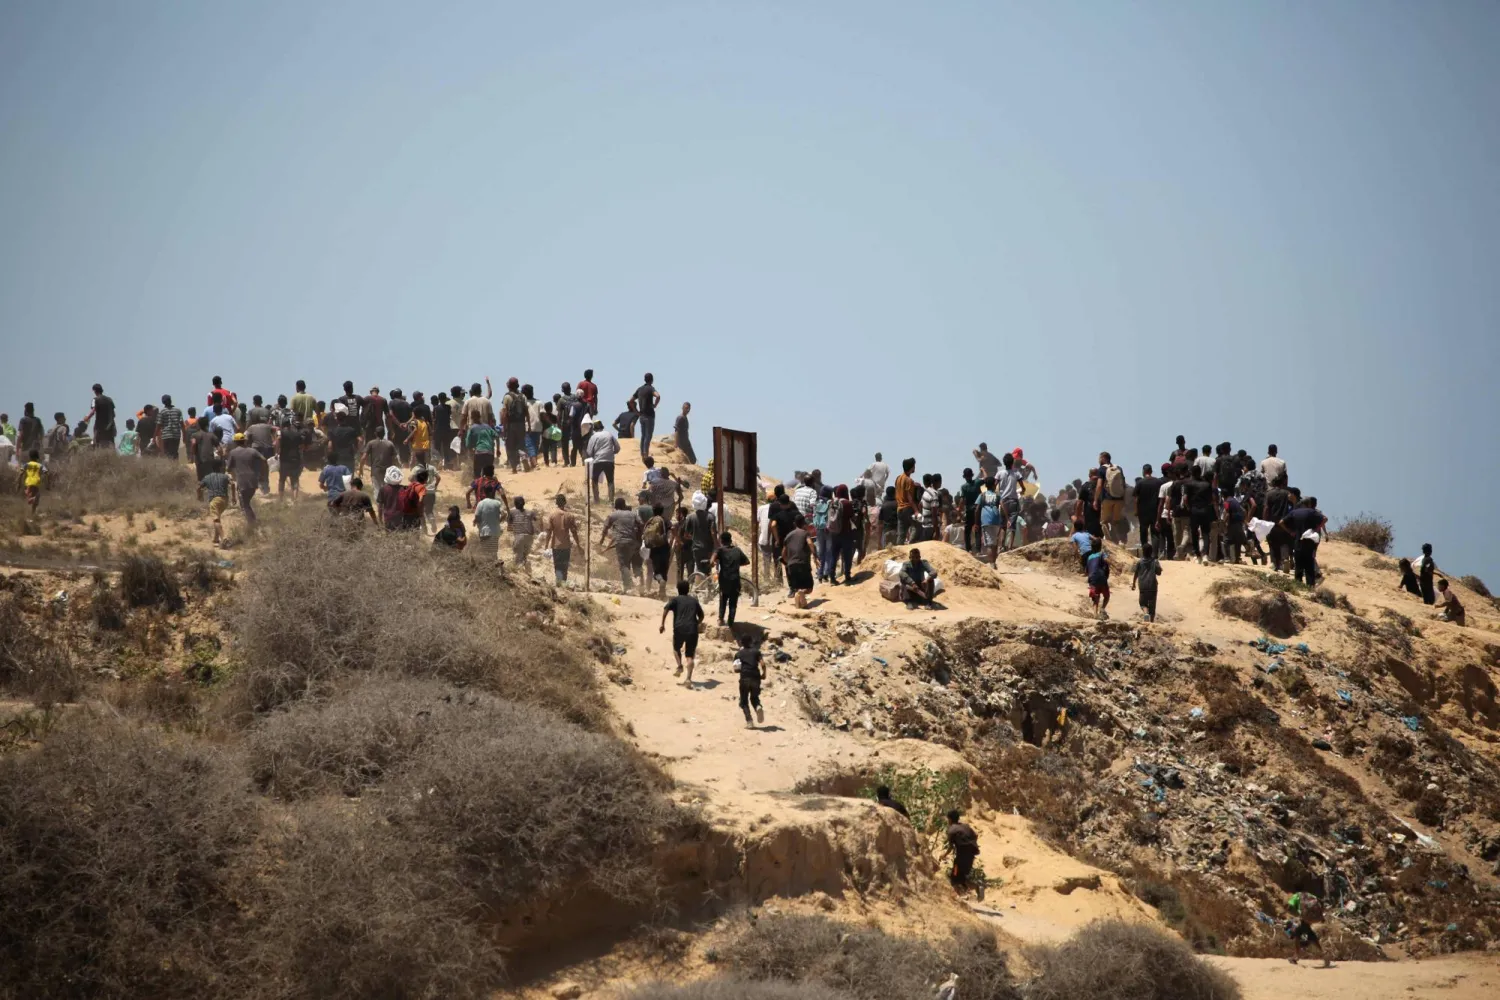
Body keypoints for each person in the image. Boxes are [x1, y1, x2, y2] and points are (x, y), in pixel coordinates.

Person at [659, 579, 705, 685]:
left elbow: (666, 609)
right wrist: (696, 623)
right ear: (688, 589)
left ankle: (679, 666)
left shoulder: (675, 600)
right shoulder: (694, 601)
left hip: (679, 628)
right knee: (690, 656)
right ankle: (688, 679)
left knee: (676, 648)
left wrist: (662, 624)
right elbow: (701, 616)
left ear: (678, 589)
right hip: (692, 630)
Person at [600, 497, 643, 592]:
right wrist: (639, 537)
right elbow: (641, 524)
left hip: (620, 542)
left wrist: (602, 540)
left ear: (615, 506)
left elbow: (605, 528)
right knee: (633, 562)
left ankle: (628, 586)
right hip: (633, 542)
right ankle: (640, 584)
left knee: (624, 565)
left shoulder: (612, 515)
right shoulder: (633, 514)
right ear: (624, 505)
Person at [1282, 498, 1326, 587]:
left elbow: (1281, 522)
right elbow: (1324, 519)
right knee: (1309, 564)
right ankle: (1310, 586)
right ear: (1309, 504)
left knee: (1298, 564)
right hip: (1310, 541)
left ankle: (1298, 585)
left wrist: (1290, 532)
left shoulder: (1294, 512)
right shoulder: (1312, 512)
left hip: (1298, 541)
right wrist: (1316, 529)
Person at [225, 434, 267, 528]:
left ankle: (251, 525)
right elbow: (264, 459)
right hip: (253, 480)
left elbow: (228, 468)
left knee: (244, 505)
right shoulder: (252, 451)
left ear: (235, 442)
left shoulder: (233, 452)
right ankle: (253, 521)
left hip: (242, 481)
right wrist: (262, 473)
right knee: (247, 503)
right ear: (245, 441)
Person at [712, 531, 749, 625]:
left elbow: (712, 561)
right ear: (730, 540)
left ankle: (720, 619)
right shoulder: (737, 550)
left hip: (724, 580)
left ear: (721, 541)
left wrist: (713, 563)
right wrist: (736, 564)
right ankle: (731, 623)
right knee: (733, 603)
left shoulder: (720, 550)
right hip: (735, 580)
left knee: (723, 599)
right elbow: (747, 561)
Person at [542, 494, 581, 583]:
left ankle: (559, 584)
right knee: (565, 567)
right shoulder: (570, 515)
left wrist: (546, 545)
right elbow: (574, 532)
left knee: (558, 567)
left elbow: (549, 532)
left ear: (556, 503)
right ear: (565, 502)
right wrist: (578, 545)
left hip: (556, 546)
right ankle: (563, 583)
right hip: (566, 545)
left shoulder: (552, 515)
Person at [196, 458, 234, 547]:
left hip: (214, 500)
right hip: (225, 500)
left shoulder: (207, 477)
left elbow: (198, 487)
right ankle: (216, 538)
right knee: (218, 517)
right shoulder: (225, 476)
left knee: (216, 520)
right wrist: (234, 497)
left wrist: (200, 496)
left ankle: (223, 538)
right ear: (221, 467)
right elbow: (232, 484)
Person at [1285, 893, 1329, 967]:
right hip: (1311, 918)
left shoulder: (1295, 896)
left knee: (1302, 934)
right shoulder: (1309, 895)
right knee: (1304, 933)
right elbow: (1319, 904)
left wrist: (1290, 911)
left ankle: (1296, 956)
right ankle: (1296, 956)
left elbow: (1289, 907)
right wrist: (1321, 916)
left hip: (1305, 918)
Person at [945, 809, 981, 897]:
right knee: (961, 876)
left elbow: (950, 847)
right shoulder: (966, 826)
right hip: (971, 854)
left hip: (962, 856)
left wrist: (944, 855)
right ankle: (975, 887)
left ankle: (957, 896)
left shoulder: (951, 830)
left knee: (954, 876)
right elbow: (975, 835)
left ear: (950, 819)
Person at [782, 513, 815, 608]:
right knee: (809, 588)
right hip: (803, 563)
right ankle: (801, 593)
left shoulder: (788, 536)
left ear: (794, 524)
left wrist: (787, 562)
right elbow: (810, 543)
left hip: (791, 565)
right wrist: (815, 556)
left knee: (796, 587)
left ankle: (799, 606)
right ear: (804, 523)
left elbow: (783, 553)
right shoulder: (805, 533)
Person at [585, 415, 621, 502]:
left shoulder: (593, 437)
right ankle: (611, 500)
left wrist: (593, 455)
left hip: (598, 461)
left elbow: (589, 452)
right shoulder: (609, 434)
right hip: (609, 461)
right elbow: (617, 448)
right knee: (610, 481)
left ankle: (596, 500)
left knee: (594, 480)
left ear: (594, 428)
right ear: (602, 427)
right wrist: (612, 453)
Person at [734, 633, 766, 728]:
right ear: (751, 642)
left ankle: (749, 722)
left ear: (741, 643)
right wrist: (764, 674)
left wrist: (742, 669)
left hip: (745, 678)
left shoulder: (738, 654)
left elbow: (736, 669)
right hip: (756, 676)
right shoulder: (756, 652)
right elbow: (763, 664)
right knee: (754, 697)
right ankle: (758, 707)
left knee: (744, 701)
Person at [498, 377, 528, 474]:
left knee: (510, 446)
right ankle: (523, 456)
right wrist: (529, 424)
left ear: (509, 386)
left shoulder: (507, 397)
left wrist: (504, 427)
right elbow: (526, 411)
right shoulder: (523, 396)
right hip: (521, 423)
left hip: (511, 424)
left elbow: (504, 413)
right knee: (521, 444)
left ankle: (514, 467)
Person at [644, 503, 672, 597]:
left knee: (656, 572)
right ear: (662, 511)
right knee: (664, 570)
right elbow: (671, 531)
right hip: (665, 548)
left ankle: (660, 581)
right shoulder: (666, 520)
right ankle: (662, 592)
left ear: (653, 511)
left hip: (654, 549)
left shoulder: (650, 521)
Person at [1131, 542, 1163, 623]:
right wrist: (1159, 568)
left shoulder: (1139, 562)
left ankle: (1145, 613)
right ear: (1151, 552)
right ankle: (1151, 622)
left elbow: (1136, 574)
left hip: (1143, 586)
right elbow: (1159, 573)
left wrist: (1133, 583)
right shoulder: (1155, 561)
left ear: (1143, 551)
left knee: (1143, 604)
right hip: (1152, 586)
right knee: (1152, 607)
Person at [473, 489, 505, 563]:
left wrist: (478, 523)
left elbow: (477, 516)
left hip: (483, 532)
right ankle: (495, 566)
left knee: (485, 553)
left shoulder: (481, 503)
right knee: (493, 554)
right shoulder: (497, 503)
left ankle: (490, 567)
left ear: (485, 493)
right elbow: (504, 514)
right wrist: (499, 521)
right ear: (492, 493)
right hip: (495, 532)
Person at [634, 373, 660, 460]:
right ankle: (646, 454)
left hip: (642, 415)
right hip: (649, 415)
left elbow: (630, 401)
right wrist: (655, 405)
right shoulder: (650, 388)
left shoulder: (639, 389)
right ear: (652, 380)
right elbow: (658, 396)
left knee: (643, 435)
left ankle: (642, 454)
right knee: (648, 436)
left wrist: (636, 411)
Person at [508, 496, 537, 568]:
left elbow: (509, 525)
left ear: (515, 504)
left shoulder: (512, 512)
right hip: (530, 538)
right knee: (524, 556)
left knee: (517, 558)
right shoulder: (530, 512)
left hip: (519, 537)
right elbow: (535, 520)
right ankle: (525, 568)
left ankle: (518, 571)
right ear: (524, 503)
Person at [894, 458, 918, 544]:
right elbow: (909, 497)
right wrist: (916, 510)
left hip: (899, 508)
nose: (915, 468)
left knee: (901, 534)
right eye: (914, 466)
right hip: (907, 508)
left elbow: (900, 490)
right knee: (917, 527)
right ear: (911, 467)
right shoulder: (909, 480)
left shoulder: (898, 478)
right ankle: (911, 545)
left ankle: (898, 549)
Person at [88, 383, 117, 450]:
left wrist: (87, 418)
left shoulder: (95, 399)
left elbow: (93, 411)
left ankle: (93, 449)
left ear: (95, 391)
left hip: (99, 427)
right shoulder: (110, 399)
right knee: (111, 444)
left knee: (96, 443)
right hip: (110, 426)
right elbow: (114, 414)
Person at [19, 450, 45, 515]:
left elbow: (20, 474)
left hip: (28, 482)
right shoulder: (40, 465)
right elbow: (46, 473)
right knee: (36, 498)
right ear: (37, 457)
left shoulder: (26, 464)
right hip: (36, 482)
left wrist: (18, 483)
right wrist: (48, 484)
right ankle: (32, 513)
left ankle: (32, 500)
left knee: (29, 497)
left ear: (30, 457)